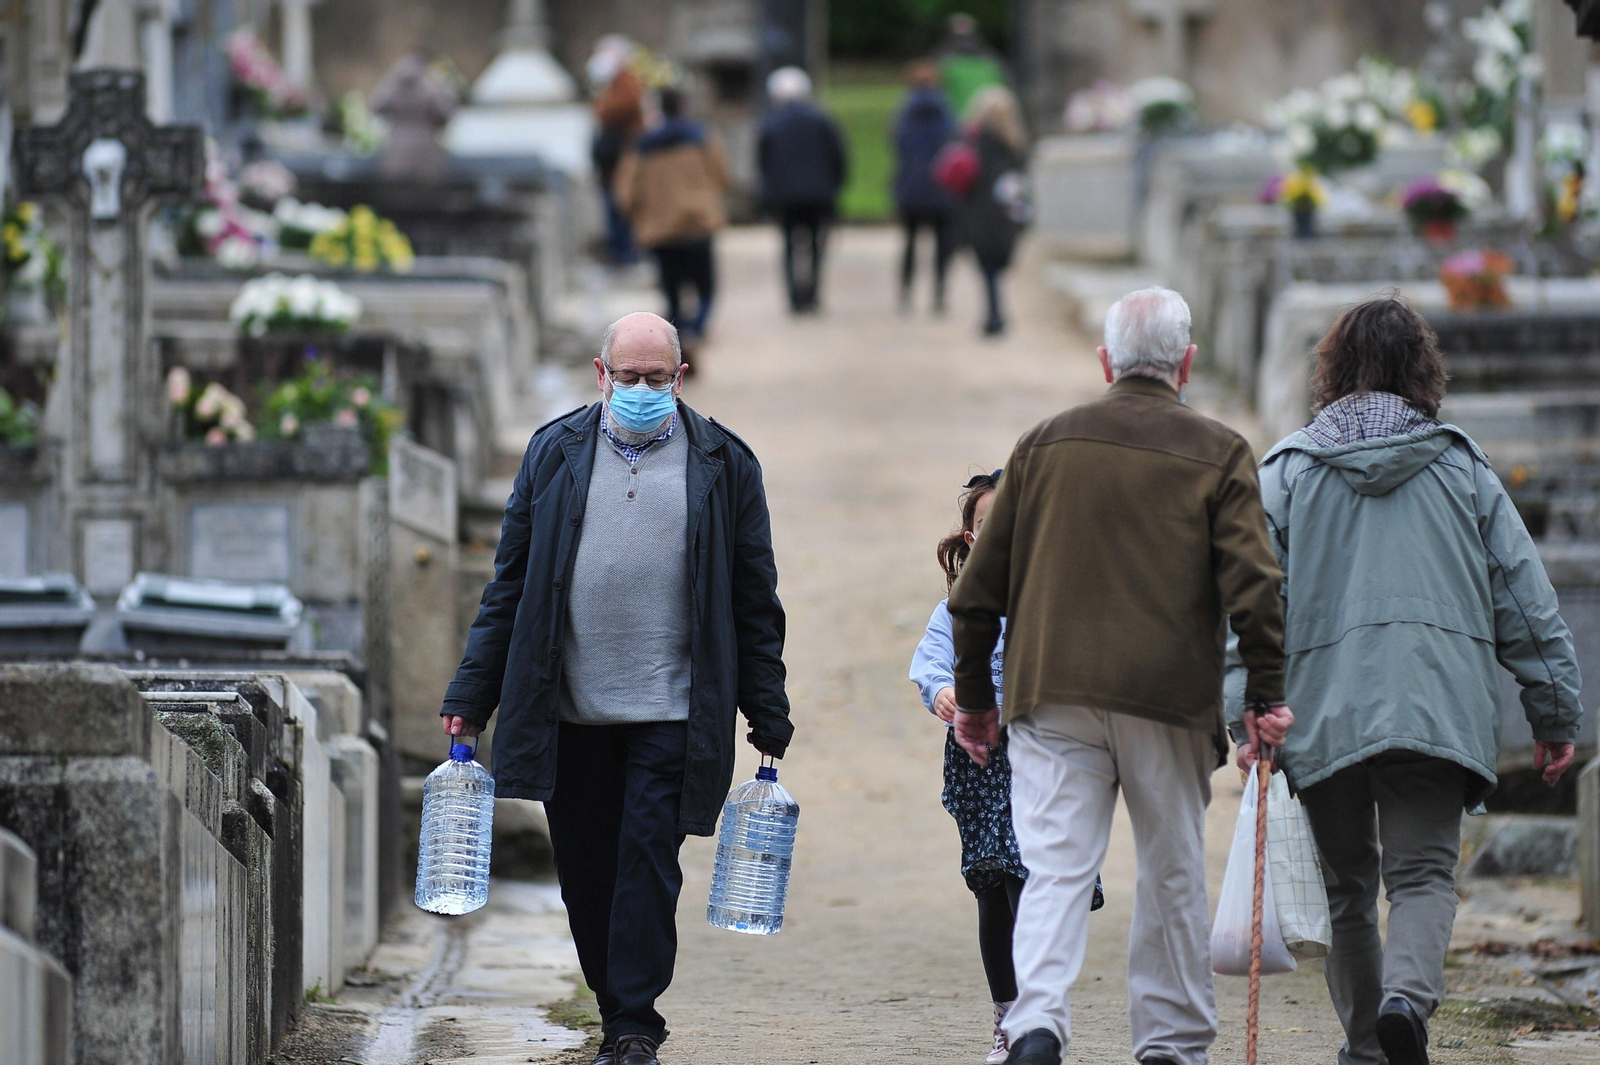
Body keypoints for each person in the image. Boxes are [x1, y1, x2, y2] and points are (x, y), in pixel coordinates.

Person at [1226, 297, 1582, 1065]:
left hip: (1320, 712)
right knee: (1422, 874)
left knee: (1347, 888)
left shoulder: (1286, 473)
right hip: (1436, 704)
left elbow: (1248, 601)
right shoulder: (1463, 468)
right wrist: (1554, 712)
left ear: (1331, 369)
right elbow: (1525, 598)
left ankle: (1367, 1046)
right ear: (1424, 370)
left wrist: (1243, 710)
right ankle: (1406, 1002)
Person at [949, 287, 1294, 1065]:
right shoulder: (1220, 450)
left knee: (1055, 866)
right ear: (1187, 363)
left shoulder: (1042, 446)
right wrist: (1265, 692)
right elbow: (1255, 585)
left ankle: (1037, 1021)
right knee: (1172, 868)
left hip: (1052, 688)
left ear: (1107, 362)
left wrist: (975, 699)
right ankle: (1169, 1041)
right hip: (1167, 693)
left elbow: (976, 592)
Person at [439, 311, 793, 1065]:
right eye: (627, 376)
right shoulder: (555, 453)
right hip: (569, 709)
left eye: (655, 377)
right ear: (601, 374)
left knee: (647, 860)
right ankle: (613, 1008)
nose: (640, 388)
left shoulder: (725, 463)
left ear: (680, 378)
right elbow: (509, 587)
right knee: (587, 868)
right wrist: (471, 695)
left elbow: (753, 598)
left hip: (673, 707)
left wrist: (767, 707)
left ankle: (635, 1025)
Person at [911, 471, 1108, 1065]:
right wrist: (943, 692)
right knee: (993, 890)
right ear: (972, 538)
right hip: (979, 765)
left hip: (1046, 758)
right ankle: (1009, 1017)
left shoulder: (1061, 601)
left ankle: (1037, 1019)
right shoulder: (955, 608)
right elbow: (930, 664)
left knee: (1032, 878)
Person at [614, 88, 729, 351]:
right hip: (698, 222)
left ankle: (677, 334)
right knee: (705, 287)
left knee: (671, 289)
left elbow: (625, 193)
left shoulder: (642, 145)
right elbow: (722, 175)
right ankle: (696, 330)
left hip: (660, 229)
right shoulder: (702, 137)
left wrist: (639, 216)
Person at [756, 67, 847, 313]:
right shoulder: (822, 121)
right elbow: (838, 157)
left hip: (786, 197)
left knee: (789, 246)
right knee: (817, 246)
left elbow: (764, 164)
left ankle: (794, 297)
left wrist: (770, 194)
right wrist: (834, 187)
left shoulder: (772, 123)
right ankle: (813, 294)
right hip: (819, 195)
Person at [952, 86, 1030, 337]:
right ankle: (995, 312)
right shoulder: (1015, 142)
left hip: (980, 212)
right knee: (996, 265)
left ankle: (994, 314)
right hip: (1007, 213)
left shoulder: (974, 141)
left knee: (987, 267)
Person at [893, 61, 957, 314]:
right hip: (942, 187)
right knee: (942, 245)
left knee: (909, 244)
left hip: (911, 187)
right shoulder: (947, 112)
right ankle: (939, 294)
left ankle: (906, 293)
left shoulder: (904, 112)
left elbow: (897, 144)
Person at [588, 36, 644, 265]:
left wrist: (600, 106)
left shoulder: (626, 81)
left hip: (620, 156)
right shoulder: (612, 83)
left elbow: (614, 110)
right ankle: (619, 249)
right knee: (613, 205)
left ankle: (624, 251)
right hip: (611, 159)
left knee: (619, 204)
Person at [936, 12, 1007, 117]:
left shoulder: (992, 64)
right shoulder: (942, 64)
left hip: (984, 116)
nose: (964, 42)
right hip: (957, 117)